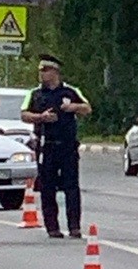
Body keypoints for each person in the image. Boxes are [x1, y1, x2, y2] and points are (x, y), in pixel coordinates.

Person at [20, 54, 92, 239]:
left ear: (55, 72)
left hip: (67, 146)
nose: (41, 74)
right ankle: (52, 227)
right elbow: (24, 114)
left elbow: (87, 108)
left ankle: (74, 226)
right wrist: (40, 117)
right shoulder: (35, 94)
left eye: (45, 70)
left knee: (71, 187)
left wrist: (73, 107)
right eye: (40, 71)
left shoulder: (70, 91)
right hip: (46, 146)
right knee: (47, 187)